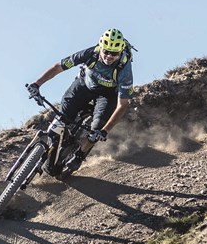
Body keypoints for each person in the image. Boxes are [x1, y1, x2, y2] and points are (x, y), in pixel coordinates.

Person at [26, 28, 134, 173]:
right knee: (62, 118)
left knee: (96, 128)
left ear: (120, 52)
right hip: (84, 85)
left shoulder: (124, 69)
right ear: (100, 48)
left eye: (114, 53)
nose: (109, 56)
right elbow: (59, 67)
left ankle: (79, 155)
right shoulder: (90, 53)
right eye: (106, 51)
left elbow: (123, 104)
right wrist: (36, 84)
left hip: (107, 95)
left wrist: (105, 131)